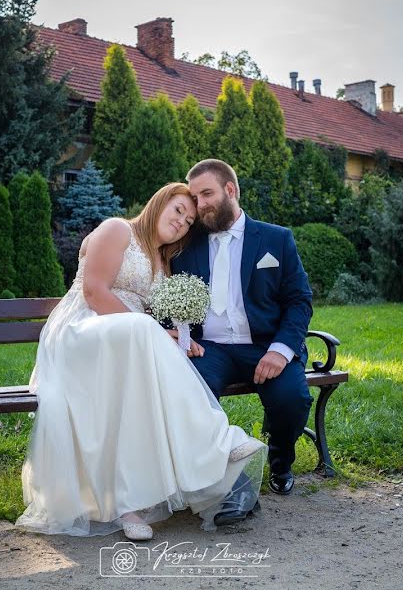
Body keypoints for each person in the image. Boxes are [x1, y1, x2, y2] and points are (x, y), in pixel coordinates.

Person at [17, 182, 266, 541]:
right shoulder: (117, 229)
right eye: (177, 210)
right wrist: (152, 331)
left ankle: (130, 504)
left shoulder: (162, 259)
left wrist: (181, 339)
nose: (182, 221)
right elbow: (93, 291)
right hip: (82, 333)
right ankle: (219, 441)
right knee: (141, 329)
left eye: (189, 220)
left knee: (141, 398)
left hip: (126, 346)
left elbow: (152, 322)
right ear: (157, 203)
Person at [172, 159, 314, 524]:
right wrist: (180, 334)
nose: (200, 204)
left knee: (291, 399)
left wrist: (281, 351)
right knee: (188, 395)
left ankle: (281, 460)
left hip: (264, 345)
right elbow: (168, 298)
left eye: (207, 194)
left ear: (230, 190)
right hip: (210, 348)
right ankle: (214, 482)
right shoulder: (186, 245)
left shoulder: (275, 238)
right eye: (195, 197)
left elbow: (299, 300)